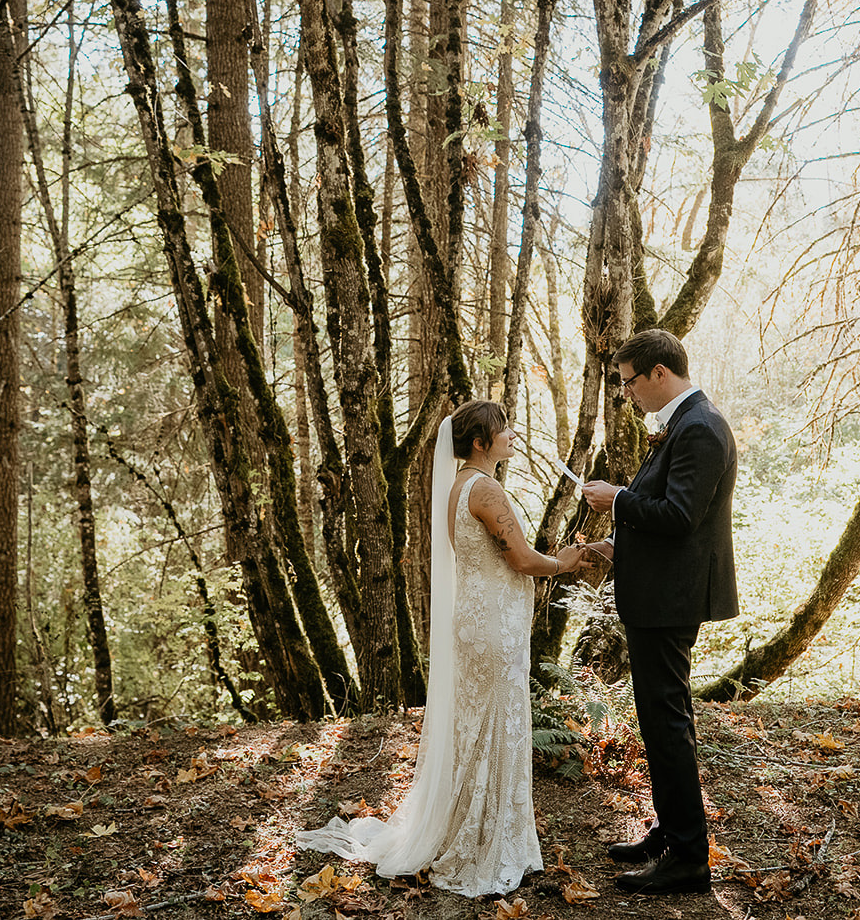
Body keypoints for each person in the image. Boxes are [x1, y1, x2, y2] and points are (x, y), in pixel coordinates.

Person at [295, 400, 586, 897]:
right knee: (494, 725)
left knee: (477, 726)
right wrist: (563, 562)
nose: (512, 435)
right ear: (480, 441)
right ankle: (485, 839)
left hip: (473, 619)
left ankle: (474, 828)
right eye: (504, 429)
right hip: (492, 625)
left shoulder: (457, 488)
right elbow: (518, 557)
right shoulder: (486, 487)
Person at [580, 329, 739, 895]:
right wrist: (616, 543)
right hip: (660, 593)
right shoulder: (688, 423)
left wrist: (617, 499)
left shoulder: (699, 428)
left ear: (658, 373)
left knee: (667, 723)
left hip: (670, 599)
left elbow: (678, 517)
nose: (625, 394)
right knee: (659, 719)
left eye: (627, 382)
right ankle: (672, 831)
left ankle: (689, 857)